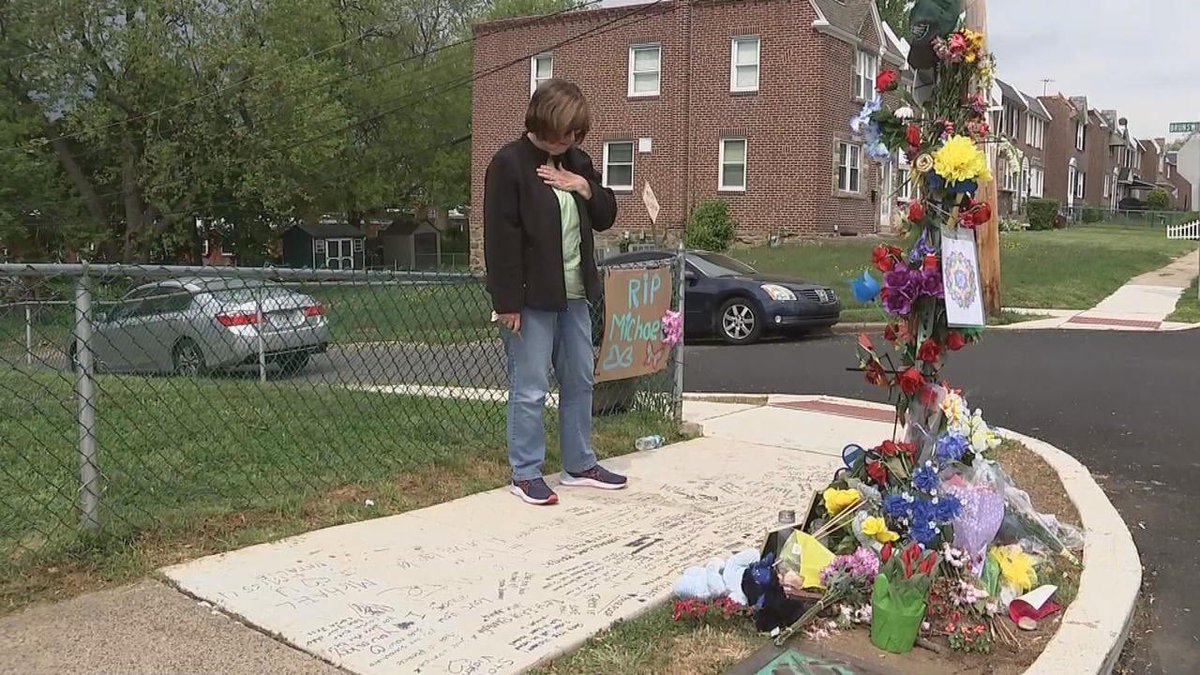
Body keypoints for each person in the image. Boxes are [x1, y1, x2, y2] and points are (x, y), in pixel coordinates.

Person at [483, 78, 628, 506]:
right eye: (563, 132)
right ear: (542, 122)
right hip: (530, 300)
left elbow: (604, 215)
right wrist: (506, 303)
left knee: (580, 379)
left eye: (575, 134)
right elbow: (500, 239)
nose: (568, 140)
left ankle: (580, 463)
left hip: (576, 294)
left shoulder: (577, 162)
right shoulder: (508, 164)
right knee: (529, 388)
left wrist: (583, 186)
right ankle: (525, 472)